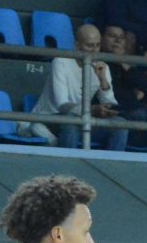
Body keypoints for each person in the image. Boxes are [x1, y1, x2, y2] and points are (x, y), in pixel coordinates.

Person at [20, 23, 128, 151]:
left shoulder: (102, 66)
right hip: (50, 118)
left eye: (98, 45)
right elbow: (62, 106)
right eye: (90, 45)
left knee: (120, 124)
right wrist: (91, 109)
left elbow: (109, 103)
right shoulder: (60, 62)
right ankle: (67, 162)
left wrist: (103, 80)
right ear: (77, 45)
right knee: (71, 123)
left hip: (82, 119)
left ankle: (109, 162)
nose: (95, 51)